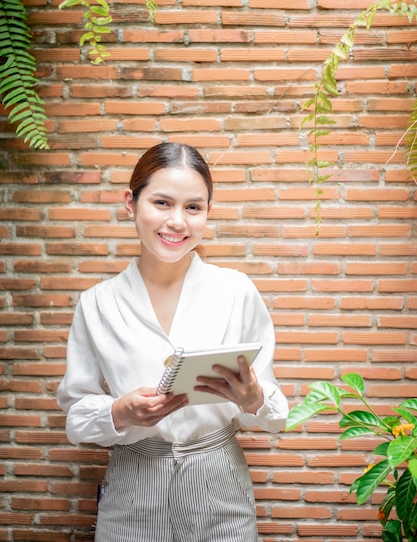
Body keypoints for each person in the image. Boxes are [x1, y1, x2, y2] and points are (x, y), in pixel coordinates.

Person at [57, 141, 289, 542]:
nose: (177, 222)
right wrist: (119, 412)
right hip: (132, 487)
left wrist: (252, 398)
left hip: (220, 484)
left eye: (193, 207)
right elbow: (76, 416)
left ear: (207, 213)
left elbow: (275, 412)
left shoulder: (236, 291)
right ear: (131, 203)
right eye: (162, 203)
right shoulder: (97, 303)